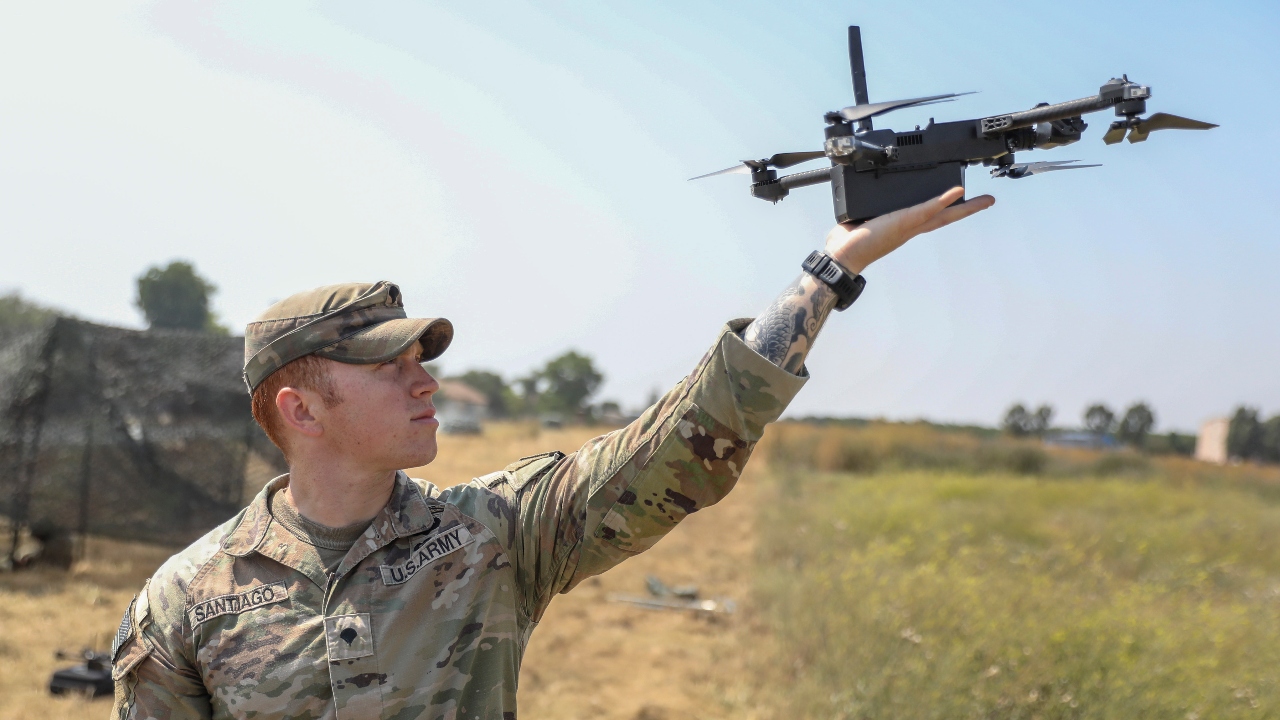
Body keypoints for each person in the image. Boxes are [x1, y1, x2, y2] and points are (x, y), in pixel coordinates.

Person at [109, 187, 993, 719]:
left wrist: (825, 276)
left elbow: (677, 444)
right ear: (301, 408)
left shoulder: (492, 534)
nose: (425, 384)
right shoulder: (186, 602)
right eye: (389, 367)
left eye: (425, 363)